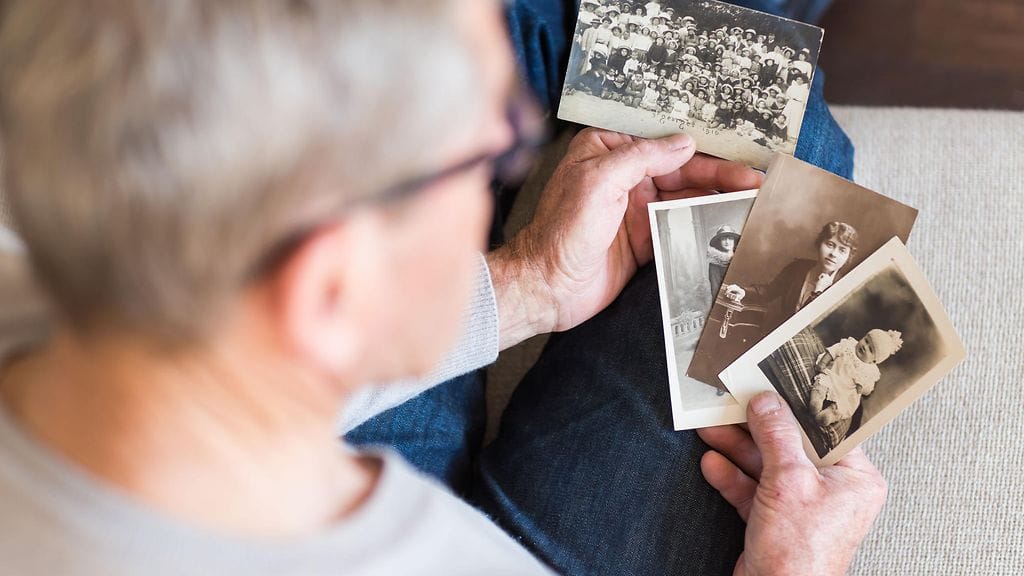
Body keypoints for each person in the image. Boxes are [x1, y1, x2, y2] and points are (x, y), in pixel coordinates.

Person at [0, 0, 884, 575]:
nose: (506, 155)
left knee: (712, 75)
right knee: (786, 143)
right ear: (332, 290)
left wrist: (526, 286)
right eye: (489, 148)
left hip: (312, 417)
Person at [724, 221, 859, 326]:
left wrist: (819, 291)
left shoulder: (844, 290)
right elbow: (770, 291)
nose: (833, 254)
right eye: (830, 244)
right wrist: (744, 292)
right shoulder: (798, 267)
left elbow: (813, 327)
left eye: (842, 250)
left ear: (848, 256)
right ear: (819, 244)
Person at [810, 329, 903, 426]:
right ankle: (816, 400)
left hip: (846, 392)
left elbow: (868, 389)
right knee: (823, 382)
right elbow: (833, 351)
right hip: (832, 376)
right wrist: (823, 362)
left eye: (870, 349)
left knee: (845, 405)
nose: (865, 347)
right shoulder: (848, 346)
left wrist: (862, 387)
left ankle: (830, 414)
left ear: (874, 361)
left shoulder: (870, 371)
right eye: (866, 340)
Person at [708, 226, 740, 299]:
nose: (727, 242)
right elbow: (715, 289)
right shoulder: (714, 264)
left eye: (730, 238)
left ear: (734, 240)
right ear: (719, 242)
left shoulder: (741, 258)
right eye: (724, 239)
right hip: (726, 299)